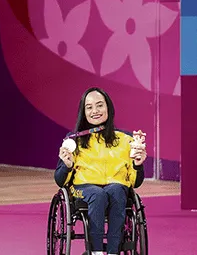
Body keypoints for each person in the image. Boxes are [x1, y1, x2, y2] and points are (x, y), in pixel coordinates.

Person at [54, 87, 147, 255]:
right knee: (98, 194)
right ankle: (96, 252)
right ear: (83, 112)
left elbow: (135, 182)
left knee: (118, 190)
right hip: (83, 188)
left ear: (108, 108)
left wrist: (138, 165)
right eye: (89, 107)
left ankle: (112, 252)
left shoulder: (126, 140)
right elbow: (60, 181)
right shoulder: (74, 140)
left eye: (99, 105)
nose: (95, 111)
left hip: (116, 187)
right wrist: (67, 165)